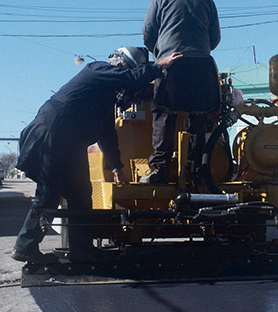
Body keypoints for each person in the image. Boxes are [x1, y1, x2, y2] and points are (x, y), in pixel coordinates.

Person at [12, 46, 181, 263]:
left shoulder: (104, 98)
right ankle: (25, 246)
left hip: (69, 143)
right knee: (48, 195)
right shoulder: (97, 70)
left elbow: (108, 135)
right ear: (120, 64)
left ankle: (81, 250)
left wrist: (116, 166)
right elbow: (129, 78)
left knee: (81, 194)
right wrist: (158, 67)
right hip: (52, 134)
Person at [140, 0, 221, 184]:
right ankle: (199, 169)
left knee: (163, 113)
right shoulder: (207, 0)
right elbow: (214, 40)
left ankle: (160, 170)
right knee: (200, 116)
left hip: (171, 66)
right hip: (203, 68)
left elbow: (148, 34)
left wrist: (161, 55)